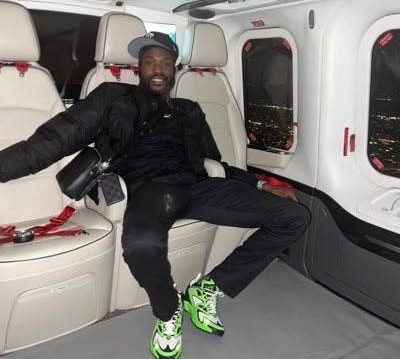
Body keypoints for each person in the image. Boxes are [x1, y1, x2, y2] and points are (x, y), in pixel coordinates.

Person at [0, 31, 310, 359]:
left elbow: (213, 163)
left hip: (196, 187)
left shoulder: (189, 111)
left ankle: (209, 289)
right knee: (141, 244)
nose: (158, 68)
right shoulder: (111, 97)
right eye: (149, 62)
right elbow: (50, 142)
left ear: (174, 70)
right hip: (148, 191)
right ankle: (168, 310)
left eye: (165, 62)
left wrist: (260, 184)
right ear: (139, 69)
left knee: (293, 217)